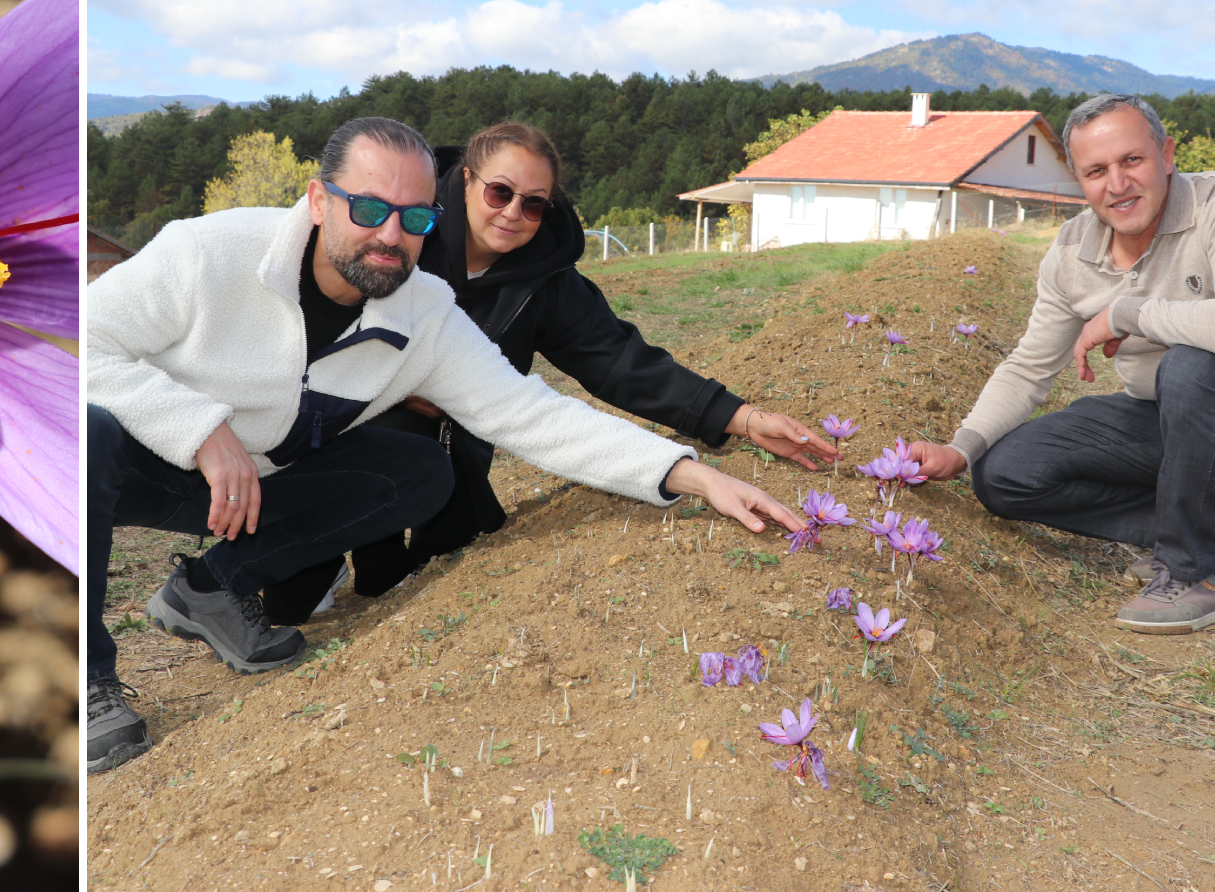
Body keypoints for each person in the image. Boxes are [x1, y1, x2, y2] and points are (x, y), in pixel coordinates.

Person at [84, 116, 808, 773]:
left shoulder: (424, 311)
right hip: (142, 464)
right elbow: (78, 342)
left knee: (418, 469)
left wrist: (694, 475)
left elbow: (533, 414)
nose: (390, 236)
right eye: (368, 209)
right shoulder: (208, 253)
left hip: (262, 483)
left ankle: (209, 588)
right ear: (317, 200)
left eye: (413, 217)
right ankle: (85, 680)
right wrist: (201, 430)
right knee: (85, 429)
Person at [261, 122, 836, 622]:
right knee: (288, 603)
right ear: (464, 180)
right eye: (500, 192)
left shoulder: (547, 281)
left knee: (418, 578)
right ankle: (310, 557)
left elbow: (620, 361)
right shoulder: (401, 240)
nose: (513, 213)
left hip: (461, 451)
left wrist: (740, 417)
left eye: (533, 202)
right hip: (341, 430)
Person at [907, 93, 1215, 634]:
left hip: (1201, 400)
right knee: (1005, 474)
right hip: (1166, 419)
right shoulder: (1074, 248)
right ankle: (1186, 526)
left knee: (1189, 367)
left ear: (1166, 155)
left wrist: (1129, 313)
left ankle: (1191, 568)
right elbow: (1030, 365)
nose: (1117, 184)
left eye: (1132, 161)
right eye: (1096, 171)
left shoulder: (1209, 208)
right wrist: (961, 447)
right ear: (1079, 180)